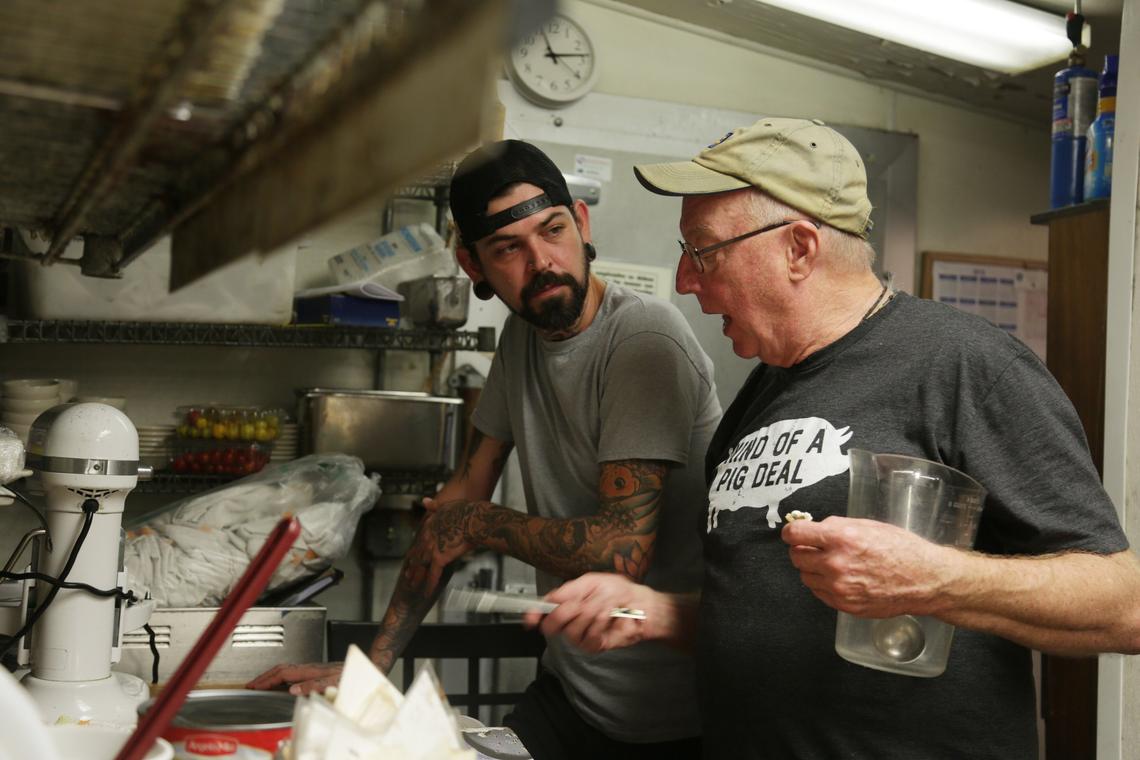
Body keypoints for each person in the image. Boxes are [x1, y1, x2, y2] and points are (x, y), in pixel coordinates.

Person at [530, 117, 1140, 760]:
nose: (686, 281)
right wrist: (657, 613)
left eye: (703, 252)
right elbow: (771, 610)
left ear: (798, 247)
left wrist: (937, 581)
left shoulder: (966, 364)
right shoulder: (760, 391)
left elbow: (1123, 603)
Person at [249, 139, 722, 760]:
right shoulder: (521, 338)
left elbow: (620, 550)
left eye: (553, 231)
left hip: (668, 720)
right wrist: (367, 668)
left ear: (581, 223)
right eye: (508, 249)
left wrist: (482, 524)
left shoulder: (643, 338)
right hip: (570, 694)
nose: (543, 262)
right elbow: (458, 504)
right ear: (473, 266)